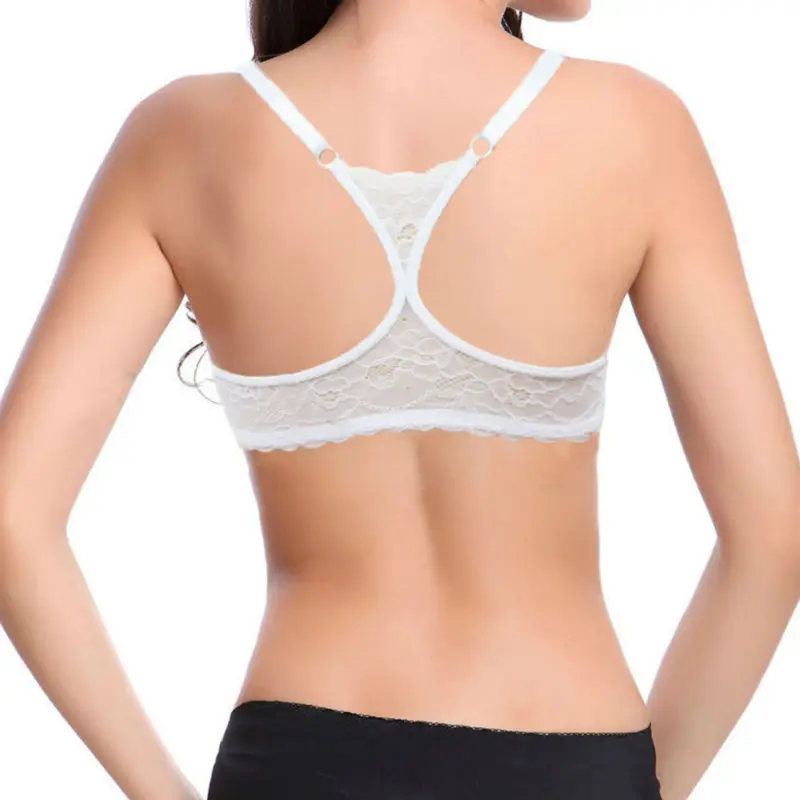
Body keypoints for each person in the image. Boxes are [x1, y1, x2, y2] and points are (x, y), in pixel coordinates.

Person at [0, 0, 798, 798]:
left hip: (297, 760)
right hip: (570, 751)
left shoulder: (182, 135)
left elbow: (12, 516)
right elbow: (775, 535)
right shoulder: (634, 123)